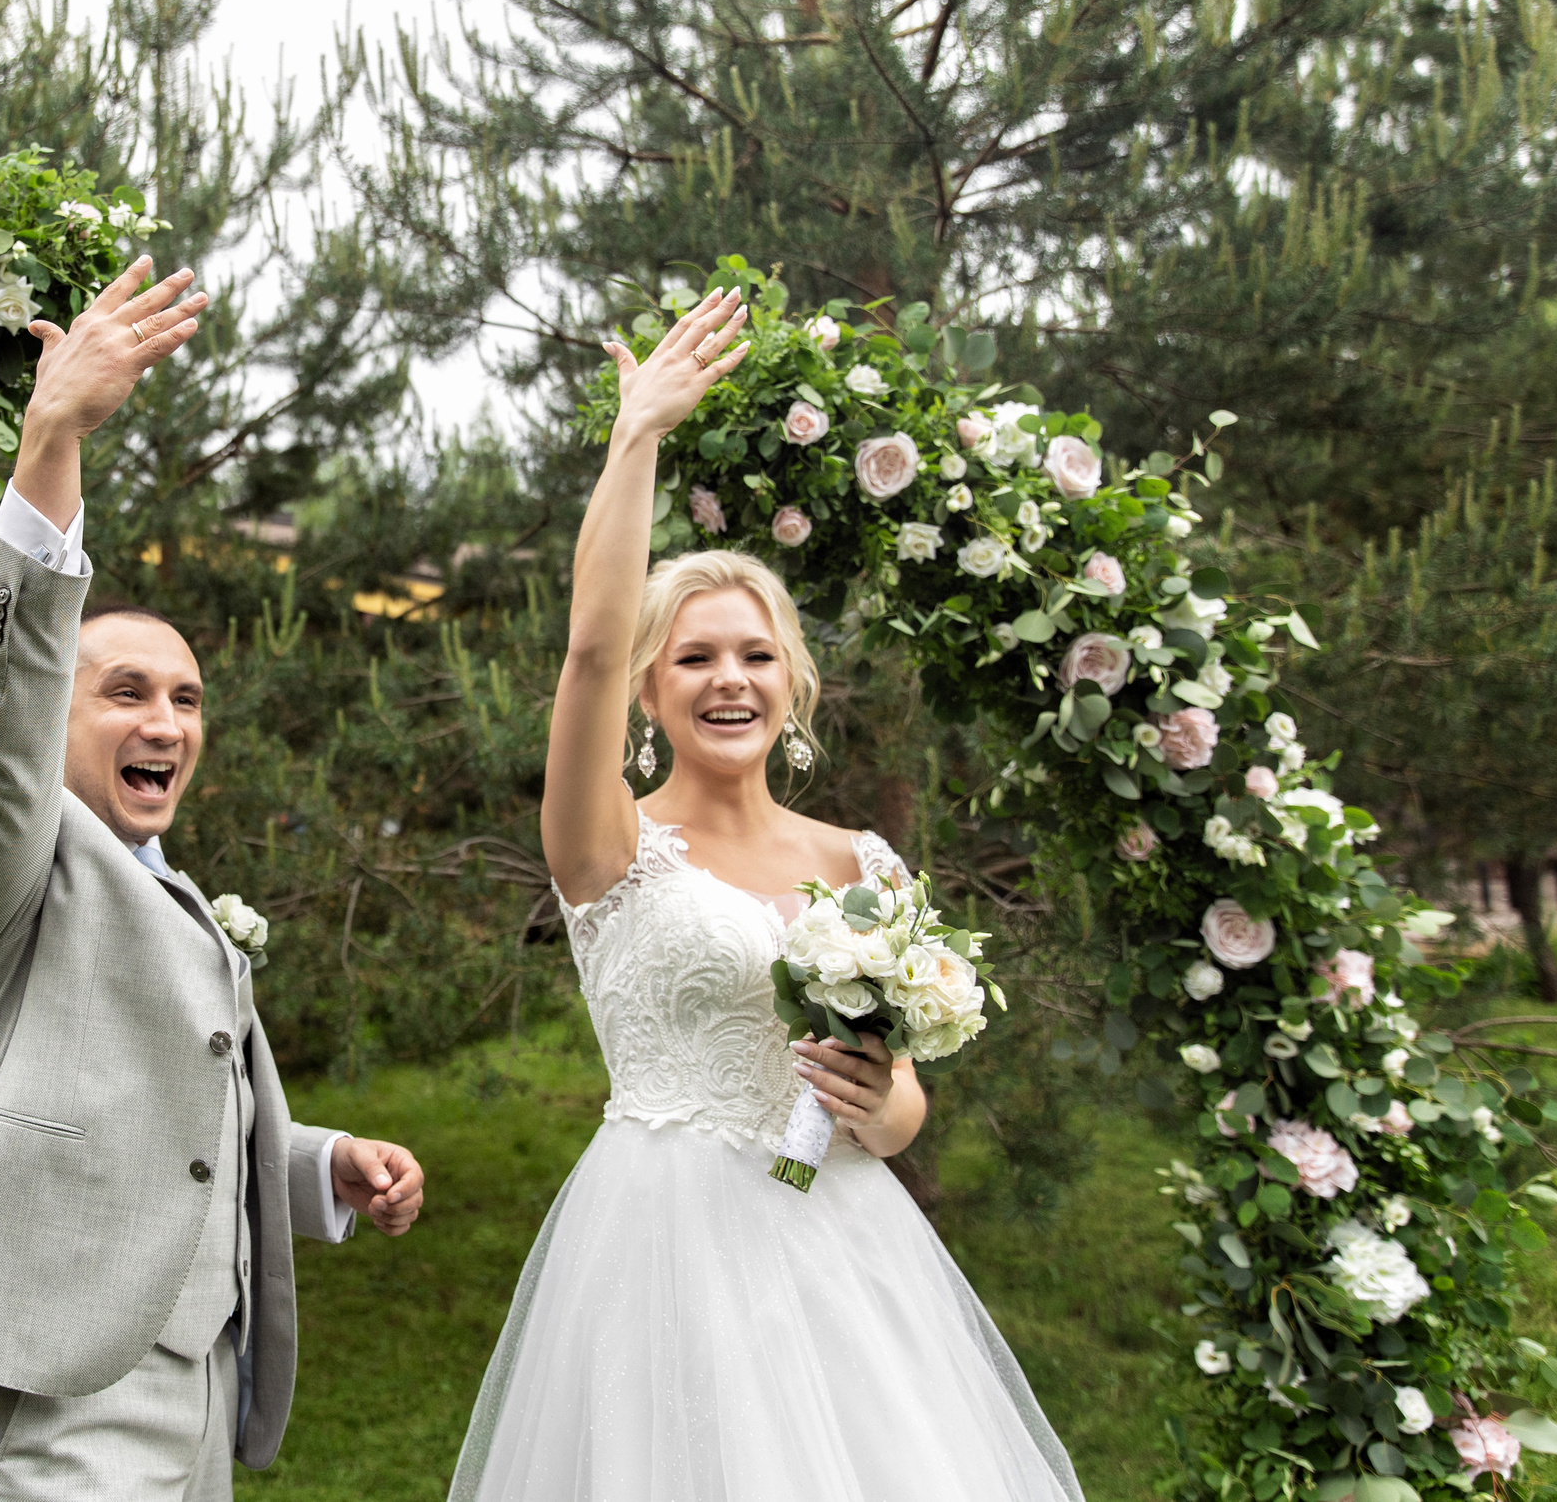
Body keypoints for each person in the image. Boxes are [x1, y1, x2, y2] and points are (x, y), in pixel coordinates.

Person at [448, 289, 1083, 1500]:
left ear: (790, 682)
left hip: (846, 1251)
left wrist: (881, 1103)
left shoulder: (864, 866)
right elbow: (584, 645)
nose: (726, 679)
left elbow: (904, 1115)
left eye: (752, 655)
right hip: (665, 1252)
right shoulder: (610, 848)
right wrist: (638, 437)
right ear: (646, 692)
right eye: (692, 657)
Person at [0, 254, 427, 1502]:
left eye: (187, 699)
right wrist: (52, 440)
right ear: (58, 718)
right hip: (56, 1370)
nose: (168, 723)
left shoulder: (167, 883)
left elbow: (167, 1124)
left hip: (198, 1376)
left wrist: (317, 1166)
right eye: (126, 692)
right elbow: (4, 708)